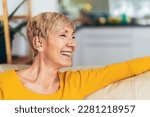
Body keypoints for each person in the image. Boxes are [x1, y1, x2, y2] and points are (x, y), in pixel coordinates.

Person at [0, 12, 150, 100]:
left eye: (73, 37)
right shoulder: (4, 84)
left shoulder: (75, 82)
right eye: (63, 35)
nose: (72, 44)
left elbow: (125, 68)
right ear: (39, 43)